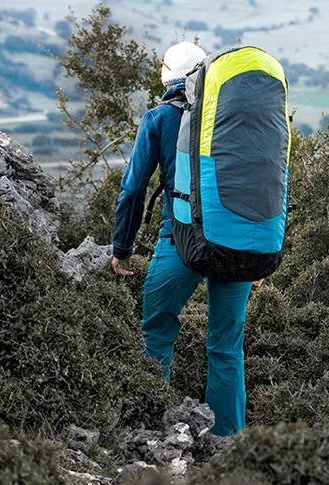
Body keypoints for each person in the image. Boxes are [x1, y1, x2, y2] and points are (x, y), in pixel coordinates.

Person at [110, 42, 260, 436]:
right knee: (227, 348)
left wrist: (122, 250)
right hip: (237, 245)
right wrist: (258, 254)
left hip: (180, 244)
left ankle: (149, 432)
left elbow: (133, 189)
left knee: (157, 332)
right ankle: (229, 444)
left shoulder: (159, 118)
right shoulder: (232, 119)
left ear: (166, 72)